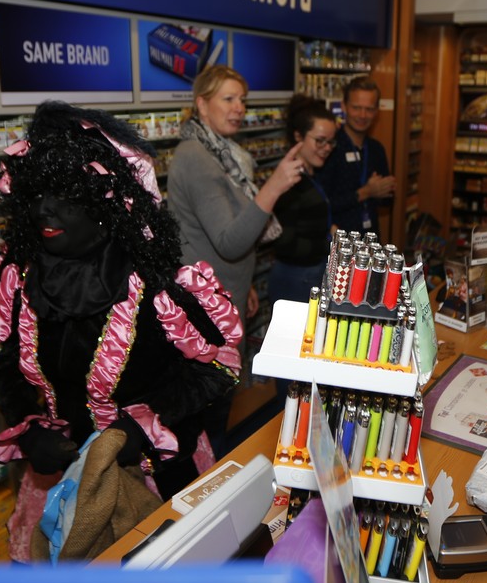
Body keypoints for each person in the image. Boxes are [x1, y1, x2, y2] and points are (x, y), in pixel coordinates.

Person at [0, 100, 244, 562]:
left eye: (65, 194)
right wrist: (29, 428)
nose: (45, 210)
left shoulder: (159, 284)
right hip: (62, 483)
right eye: (36, 194)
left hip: (157, 475)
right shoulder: (19, 279)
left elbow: (215, 369)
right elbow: (1, 362)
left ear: (107, 203)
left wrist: (142, 425)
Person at [167, 65, 305, 451]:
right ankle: (207, 481)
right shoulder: (197, 158)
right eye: (228, 99)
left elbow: (223, 235)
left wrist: (243, 285)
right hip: (205, 313)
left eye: (242, 99)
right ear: (201, 104)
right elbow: (229, 242)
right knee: (208, 417)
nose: (239, 108)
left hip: (223, 297)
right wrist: (274, 187)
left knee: (216, 409)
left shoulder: (222, 153)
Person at [266, 94, 337, 400]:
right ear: (298, 137)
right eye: (319, 140)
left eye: (330, 142)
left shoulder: (307, 174)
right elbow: (282, 240)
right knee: (293, 369)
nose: (326, 148)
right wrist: (325, 240)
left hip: (307, 276)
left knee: (306, 363)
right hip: (295, 280)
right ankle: (287, 421)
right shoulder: (289, 180)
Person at [319, 76, 394, 235]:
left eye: (369, 109)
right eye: (356, 108)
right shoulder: (329, 148)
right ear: (344, 107)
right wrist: (366, 192)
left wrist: (383, 190)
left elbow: (388, 201)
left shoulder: (376, 149)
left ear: (377, 112)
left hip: (369, 240)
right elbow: (320, 205)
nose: (362, 115)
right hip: (337, 243)